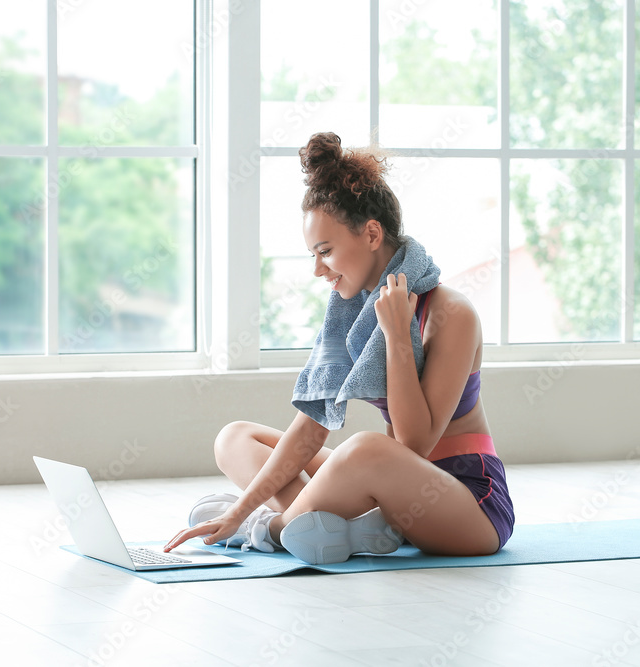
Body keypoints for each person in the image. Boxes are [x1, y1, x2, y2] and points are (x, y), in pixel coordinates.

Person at [164, 132, 514, 564]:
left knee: (366, 449)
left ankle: (274, 528)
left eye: (325, 252)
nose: (317, 270)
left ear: (371, 234)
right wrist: (238, 509)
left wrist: (398, 337)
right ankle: (331, 527)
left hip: (469, 505)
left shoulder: (452, 314)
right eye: (313, 254)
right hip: (390, 502)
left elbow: (415, 443)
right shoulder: (355, 313)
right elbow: (313, 427)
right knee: (235, 438)